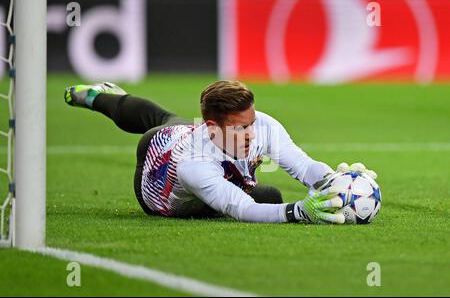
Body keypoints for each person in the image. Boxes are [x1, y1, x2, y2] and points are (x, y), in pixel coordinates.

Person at [64, 80, 376, 224]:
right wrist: (300, 213)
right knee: (159, 122)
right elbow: (241, 208)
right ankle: (99, 96)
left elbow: (303, 165)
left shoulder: (260, 126)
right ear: (212, 127)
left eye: (251, 123)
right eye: (241, 128)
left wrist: (336, 182)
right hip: (158, 173)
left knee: (270, 197)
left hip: (210, 157)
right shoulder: (193, 165)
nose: (251, 134)